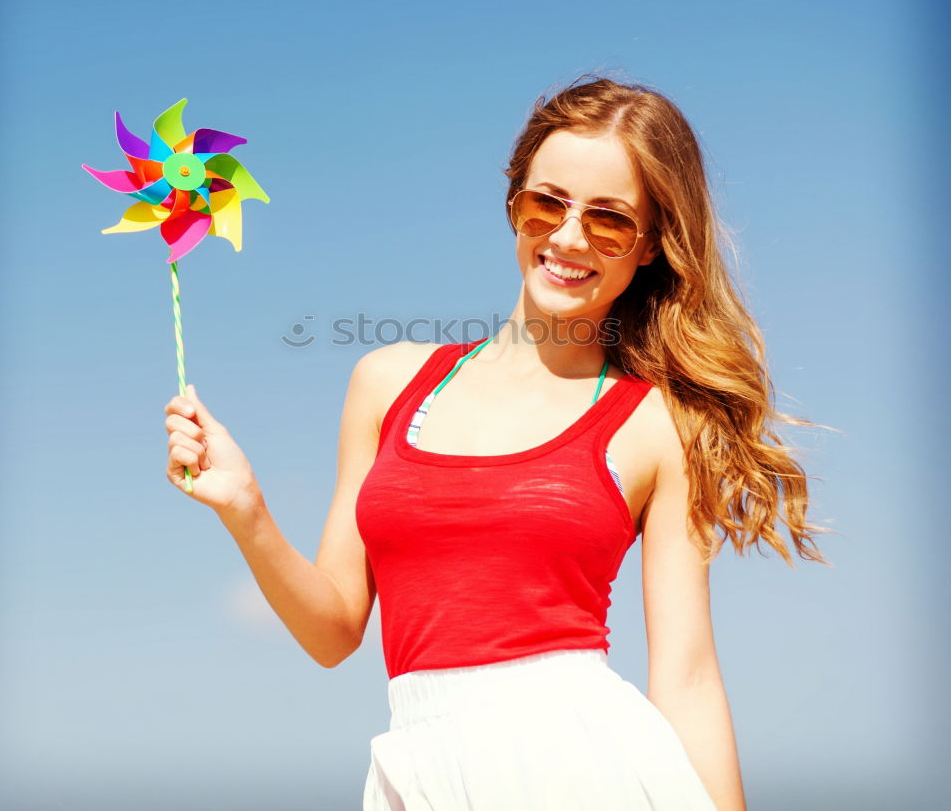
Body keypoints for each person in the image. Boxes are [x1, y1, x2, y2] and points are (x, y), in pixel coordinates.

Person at [163, 75, 830, 811]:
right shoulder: (386, 382)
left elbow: (688, 674)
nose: (568, 237)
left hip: (581, 766)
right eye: (547, 203)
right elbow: (332, 633)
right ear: (515, 204)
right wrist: (245, 507)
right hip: (417, 768)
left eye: (609, 221)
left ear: (649, 247)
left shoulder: (657, 422)